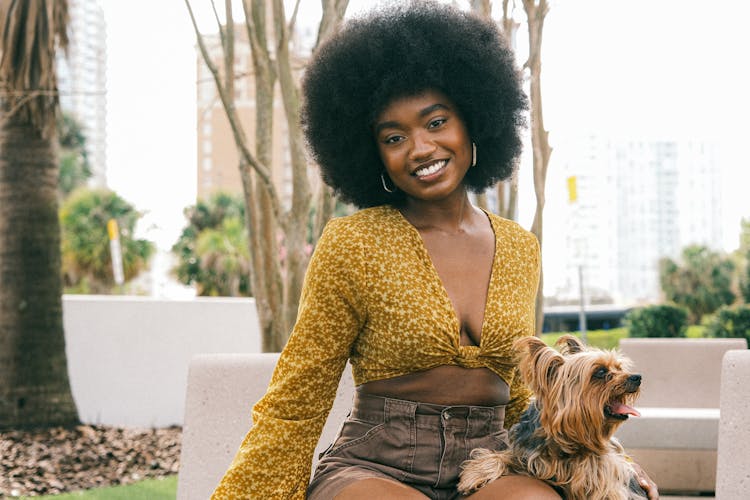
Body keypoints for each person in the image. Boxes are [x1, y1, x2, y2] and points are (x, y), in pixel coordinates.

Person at [211, 1, 658, 499]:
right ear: (372, 153)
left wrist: (612, 462)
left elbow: (520, 395)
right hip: (376, 464)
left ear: (474, 122)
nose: (420, 148)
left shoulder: (519, 247)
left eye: (437, 122)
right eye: (395, 137)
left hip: (491, 460)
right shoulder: (352, 243)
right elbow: (300, 395)